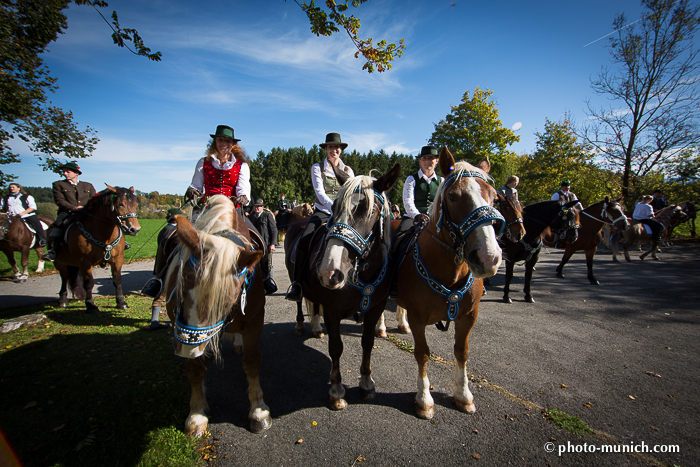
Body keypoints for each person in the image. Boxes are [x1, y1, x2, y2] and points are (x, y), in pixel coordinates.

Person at [286, 132, 354, 302]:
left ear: (341, 149)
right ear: (326, 149)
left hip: (343, 215)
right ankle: (297, 284)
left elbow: (352, 194)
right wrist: (335, 208)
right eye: (330, 147)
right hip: (322, 212)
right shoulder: (317, 167)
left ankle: (355, 283)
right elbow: (320, 193)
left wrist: (344, 210)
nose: (334, 150)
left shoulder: (348, 170)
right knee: (304, 240)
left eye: (336, 147)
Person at [185, 125, 251, 214]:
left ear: (233, 144)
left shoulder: (242, 166)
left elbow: (243, 189)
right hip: (207, 209)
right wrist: (192, 190)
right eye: (220, 140)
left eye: (228, 141)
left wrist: (243, 197)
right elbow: (196, 186)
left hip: (232, 210)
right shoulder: (203, 162)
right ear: (215, 142)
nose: (224, 144)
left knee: (251, 229)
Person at [42, 162, 97, 261]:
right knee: (58, 225)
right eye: (64, 172)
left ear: (76, 173)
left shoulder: (88, 185)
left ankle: (109, 248)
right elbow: (60, 200)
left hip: (86, 212)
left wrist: (86, 208)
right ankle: (53, 250)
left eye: (68, 172)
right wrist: (74, 208)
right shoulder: (58, 184)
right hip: (67, 212)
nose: (65, 174)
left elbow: (94, 200)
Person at [144, 207, 184, 328]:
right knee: (168, 294)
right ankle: (169, 322)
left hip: (164, 265)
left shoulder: (165, 230)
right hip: (171, 266)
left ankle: (154, 321)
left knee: (161, 295)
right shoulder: (175, 232)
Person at [395, 146, 443, 235]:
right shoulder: (411, 179)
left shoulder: (442, 181)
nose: (427, 161)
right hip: (412, 218)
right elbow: (408, 201)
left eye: (431, 158)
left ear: (437, 160)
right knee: (398, 237)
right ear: (420, 161)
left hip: (436, 219)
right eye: (424, 158)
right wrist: (417, 215)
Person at [0, 183, 47, 247]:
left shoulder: (27, 197)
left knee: (37, 225)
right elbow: (1, 207)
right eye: (10, 187)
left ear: (18, 188)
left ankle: (42, 239)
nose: (11, 188)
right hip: (11, 217)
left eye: (13, 187)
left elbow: (32, 207)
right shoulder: (5, 198)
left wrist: (22, 213)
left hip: (27, 215)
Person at [250, 199, 278, 295]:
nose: (256, 208)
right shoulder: (252, 217)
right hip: (255, 246)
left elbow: (274, 230)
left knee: (268, 265)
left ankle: (270, 284)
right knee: (257, 266)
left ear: (262, 207)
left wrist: (273, 243)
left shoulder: (267, 215)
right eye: (255, 206)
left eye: (258, 206)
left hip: (266, 245)